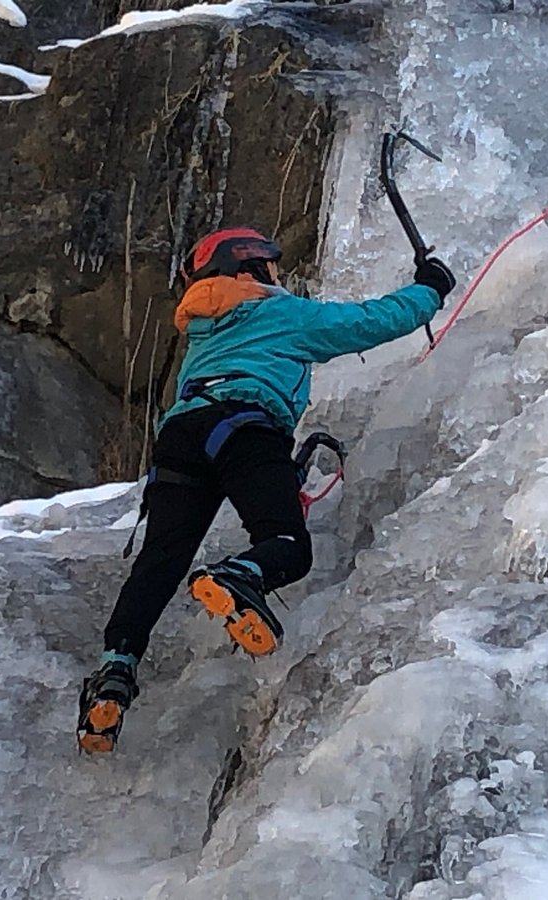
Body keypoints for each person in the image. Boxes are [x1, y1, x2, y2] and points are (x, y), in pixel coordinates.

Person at [76, 227, 454, 753]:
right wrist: (429, 289)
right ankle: (239, 574)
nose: (278, 276)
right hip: (245, 426)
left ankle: (114, 670)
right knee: (289, 547)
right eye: (271, 266)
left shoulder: (203, 327)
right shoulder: (277, 311)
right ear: (250, 266)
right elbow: (367, 323)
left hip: (182, 437)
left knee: (159, 561)